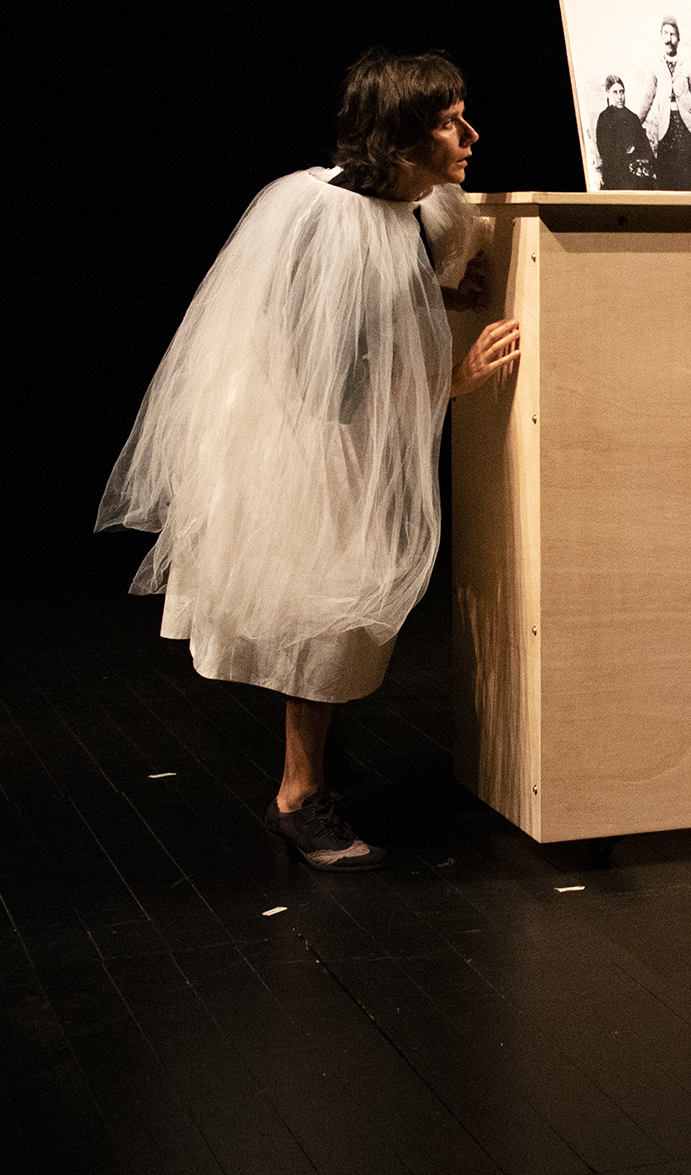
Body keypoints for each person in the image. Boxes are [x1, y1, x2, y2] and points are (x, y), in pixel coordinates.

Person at [97, 49, 521, 871]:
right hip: (311, 441)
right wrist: (454, 380)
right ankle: (299, 797)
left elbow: (379, 296)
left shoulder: (411, 205)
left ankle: (315, 763)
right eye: (448, 122)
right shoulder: (325, 217)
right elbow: (330, 382)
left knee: (343, 614)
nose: (471, 135)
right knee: (329, 610)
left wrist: (436, 296)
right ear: (400, 138)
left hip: (350, 439)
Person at [635, 15, 691, 191]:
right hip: (665, 132)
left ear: (678, 38)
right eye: (666, 34)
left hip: (687, 131)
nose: (669, 39)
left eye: (673, 34)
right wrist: (633, 126)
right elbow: (646, 100)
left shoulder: (688, 67)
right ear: (661, 37)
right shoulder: (656, 67)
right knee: (667, 181)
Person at [593, 73, 657, 188]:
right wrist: (628, 150)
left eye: (622, 92)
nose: (620, 97)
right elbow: (606, 152)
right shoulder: (604, 119)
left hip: (636, 173)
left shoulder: (632, 118)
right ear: (608, 94)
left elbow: (645, 148)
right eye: (615, 92)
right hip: (615, 175)